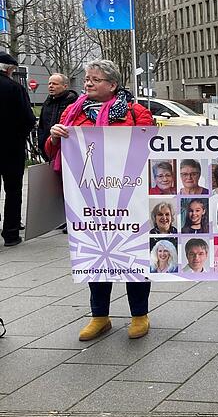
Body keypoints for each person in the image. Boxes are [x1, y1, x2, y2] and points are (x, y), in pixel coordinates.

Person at [47, 59, 154, 340]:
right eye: (86, 79)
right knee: (96, 256)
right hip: (89, 199)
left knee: (133, 256)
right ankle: (99, 316)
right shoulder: (73, 112)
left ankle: (139, 314)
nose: (88, 83)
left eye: (95, 79)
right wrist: (55, 137)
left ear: (112, 85)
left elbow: (152, 148)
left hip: (130, 198)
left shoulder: (135, 112)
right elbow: (51, 151)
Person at [0, 52, 36, 247]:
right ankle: (11, 233)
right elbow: (28, 119)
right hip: (11, 147)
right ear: (9, 69)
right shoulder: (15, 88)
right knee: (13, 190)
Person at [37, 73, 77, 160]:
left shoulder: (73, 103)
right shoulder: (47, 103)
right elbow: (42, 125)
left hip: (66, 149)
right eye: (49, 83)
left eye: (55, 84)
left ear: (65, 86)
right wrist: (41, 143)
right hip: (48, 149)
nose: (51, 86)